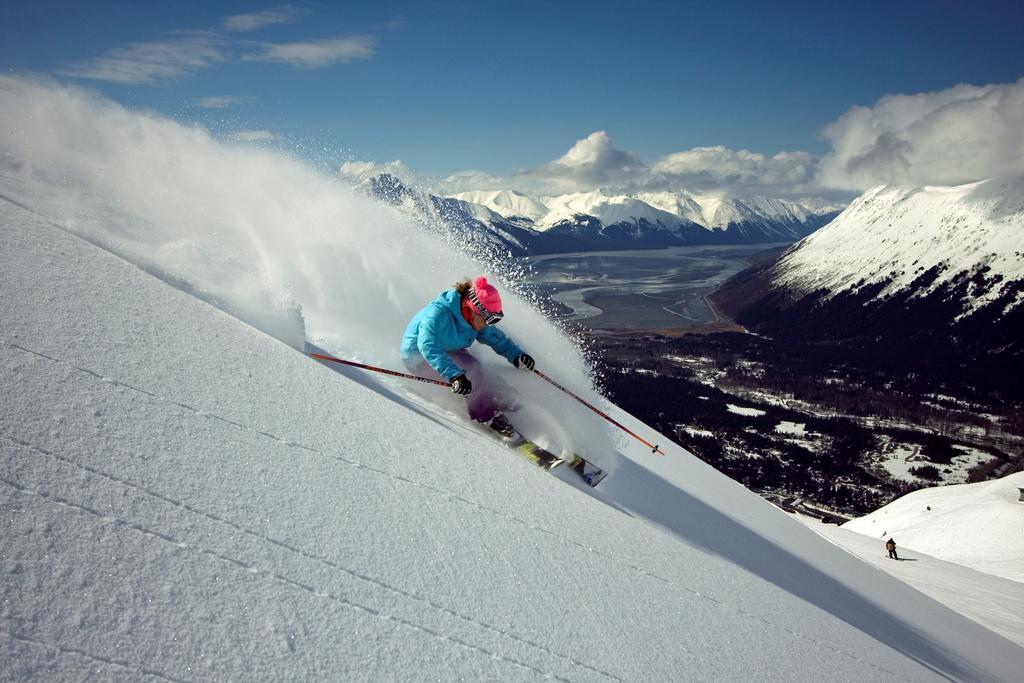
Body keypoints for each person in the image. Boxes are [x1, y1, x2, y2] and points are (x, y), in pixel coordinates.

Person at [400, 276, 535, 432]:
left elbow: (493, 337)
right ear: (473, 309)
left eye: (494, 319)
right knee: (473, 371)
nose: (489, 324)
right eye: (488, 319)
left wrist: (516, 355)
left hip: (449, 350)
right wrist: (454, 375)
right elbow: (428, 347)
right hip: (419, 357)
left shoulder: (475, 319)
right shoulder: (437, 315)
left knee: (484, 372)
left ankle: (508, 399)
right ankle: (485, 415)